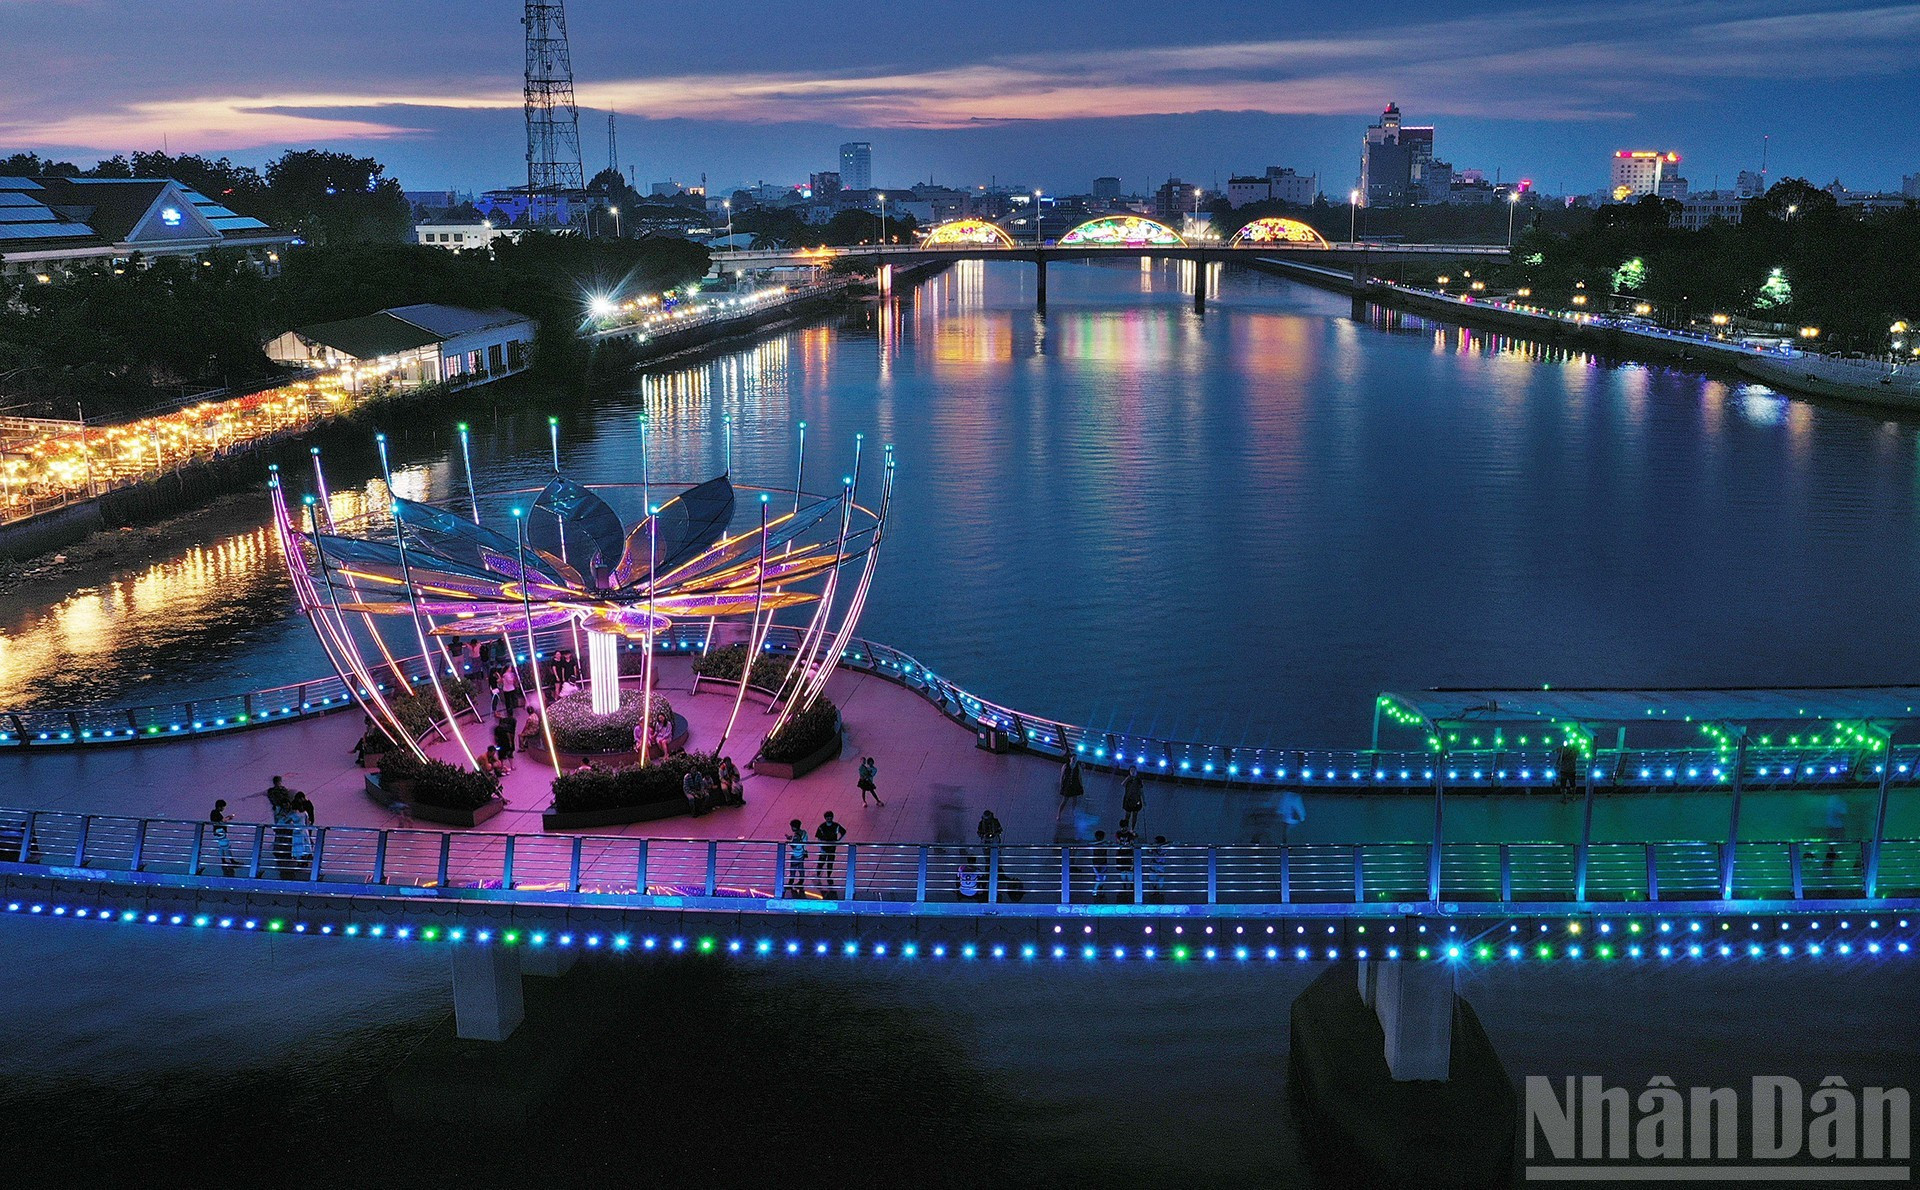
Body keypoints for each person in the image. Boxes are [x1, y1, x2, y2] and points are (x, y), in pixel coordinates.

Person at [815, 811, 847, 889]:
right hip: (824, 847)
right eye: (827, 818)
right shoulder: (822, 827)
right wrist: (821, 846)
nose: (829, 819)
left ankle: (828, 875)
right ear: (825, 818)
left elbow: (843, 832)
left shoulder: (834, 826)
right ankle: (819, 873)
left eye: (830, 817)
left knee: (830, 862)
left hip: (831, 848)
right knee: (822, 861)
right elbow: (819, 838)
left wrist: (839, 841)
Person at [208, 799, 237, 877]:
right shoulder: (215, 813)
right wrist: (227, 818)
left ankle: (224, 861)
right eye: (223, 807)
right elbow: (219, 821)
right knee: (226, 846)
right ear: (220, 807)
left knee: (222, 847)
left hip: (218, 832)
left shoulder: (214, 813)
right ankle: (231, 861)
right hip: (220, 831)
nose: (223, 809)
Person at [784, 819, 809, 897]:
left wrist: (789, 842)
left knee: (793, 868)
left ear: (794, 827)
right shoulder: (804, 832)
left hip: (796, 854)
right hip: (803, 852)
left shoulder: (796, 835)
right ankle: (801, 881)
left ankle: (791, 882)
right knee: (801, 867)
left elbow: (794, 846)